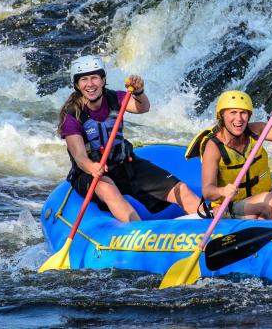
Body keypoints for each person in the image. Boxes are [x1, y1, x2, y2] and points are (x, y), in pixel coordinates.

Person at [57, 55, 199, 222]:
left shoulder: (116, 98)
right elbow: (80, 156)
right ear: (77, 85)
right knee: (109, 190)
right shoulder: (72, 116)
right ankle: (138, 235)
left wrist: (138, 92)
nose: (90, 84)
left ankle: (213, 226)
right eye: (84, 80)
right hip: (91, 173)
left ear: (103, 80)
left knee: (181, 190)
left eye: (94, 77)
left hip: (124, 165)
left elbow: (143, 107)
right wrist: (92, 167)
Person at [186, 90, 272, 220]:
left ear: (249, 116)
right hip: (231, 204)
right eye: (233, 112)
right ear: (222, 115)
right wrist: (222, 191)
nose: (238, 119)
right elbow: (207, 190)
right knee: (270, 202)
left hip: (262, 193)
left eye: (243, 113)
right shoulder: (213, 146)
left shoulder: (257, 130)